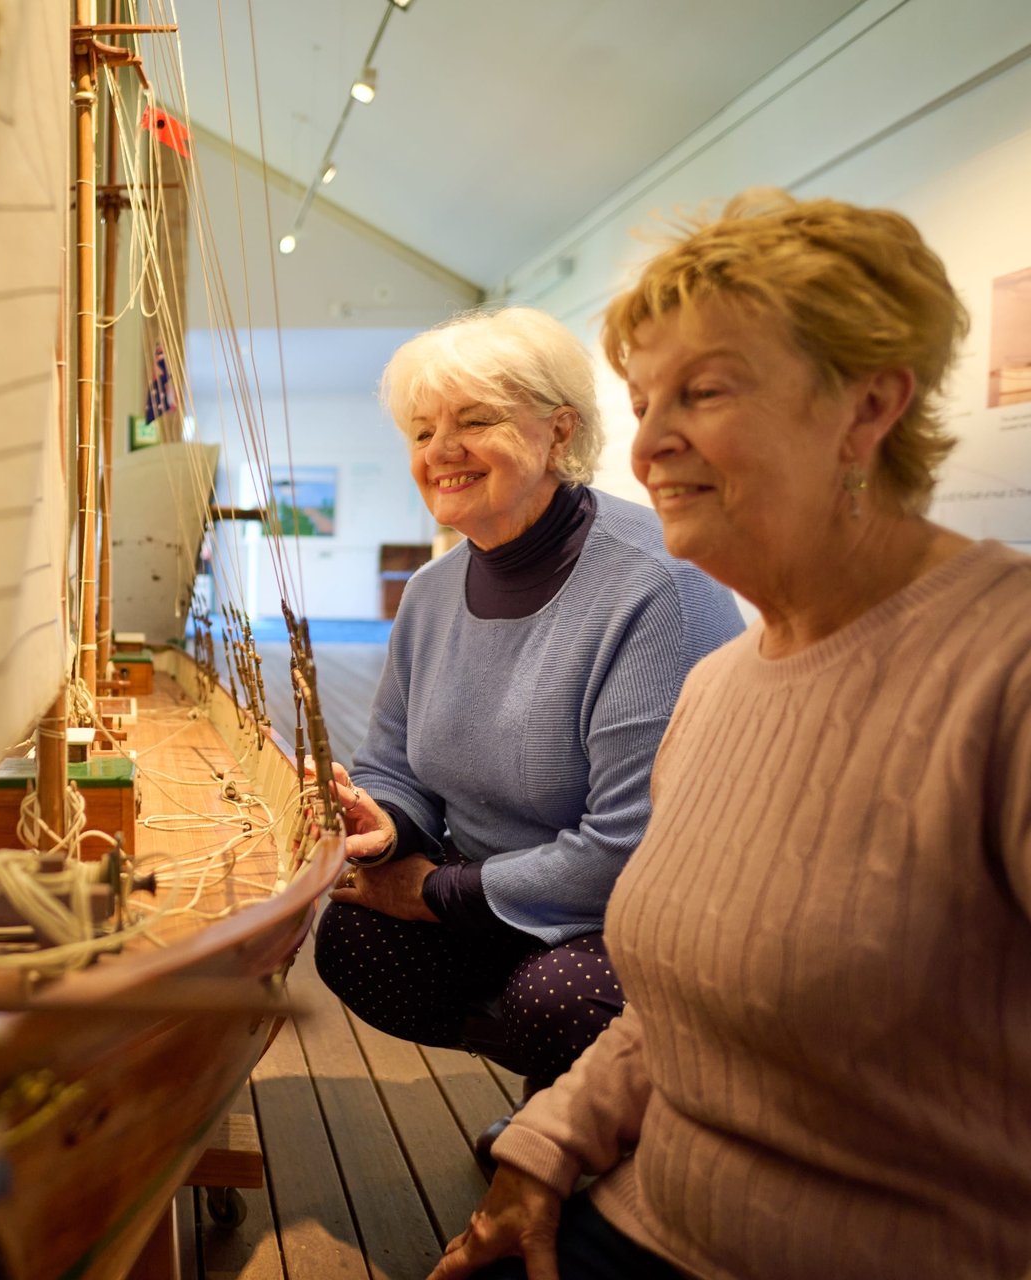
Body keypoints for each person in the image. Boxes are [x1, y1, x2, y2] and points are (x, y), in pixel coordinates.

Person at [437, 192, 1031, 1280]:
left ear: (868, 408)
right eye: (643, 398)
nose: (652, 443)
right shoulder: (716, 688)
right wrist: (538, 1150)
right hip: (636, 1215)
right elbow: (670, 1017)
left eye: (702, 393)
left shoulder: (1006, 672)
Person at [314, 308, 741, 1093]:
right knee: (354, 940)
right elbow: (392, 762)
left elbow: (628, 852)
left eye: (475, 421)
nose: (442, 451)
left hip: (636, 919)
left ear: (560, 433)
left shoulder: (658, 586)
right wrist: (387, 822)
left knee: (560, 1002)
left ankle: (619, 1122)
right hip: (493, 894)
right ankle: (568, 1102)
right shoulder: (432, 591)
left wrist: (432, 892)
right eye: (420, 431)